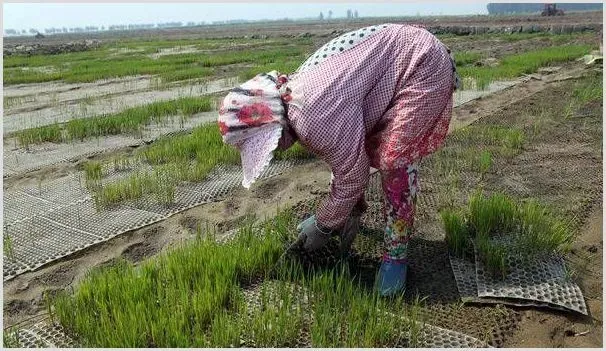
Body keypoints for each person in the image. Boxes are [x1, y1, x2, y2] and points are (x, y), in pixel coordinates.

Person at [218, 23, 459, 296]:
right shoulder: (295, 93)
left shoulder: (310, 116)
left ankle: (396, 257)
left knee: (395, 164)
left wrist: (323, 223)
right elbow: (345, 156)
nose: (275, 152)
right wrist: (348, 211)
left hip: (422, 65)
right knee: (354, 158)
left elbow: (352, 176)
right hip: (398, 57)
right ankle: (352, 220)